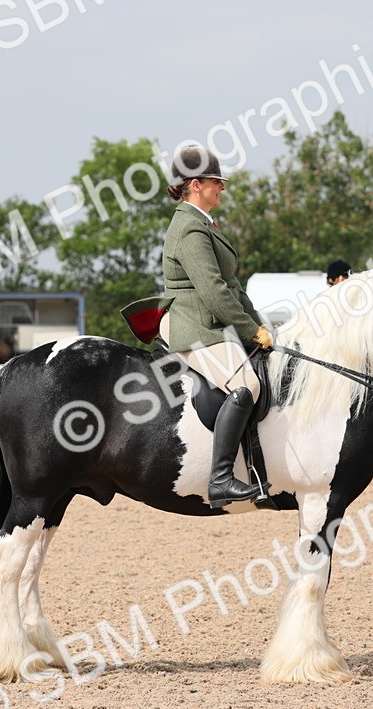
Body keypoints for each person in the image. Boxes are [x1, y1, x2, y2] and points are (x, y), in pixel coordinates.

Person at [124, 145, 273, 507]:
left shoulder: (202, 224)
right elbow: (213, 291)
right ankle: (221, 477)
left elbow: (233, 286)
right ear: (194, 185)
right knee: (246, 384)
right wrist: (249, 331)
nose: (221, 187)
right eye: (215, 182)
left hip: (210, 321)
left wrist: (260, 325)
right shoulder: (190, 228)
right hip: (194, 324)